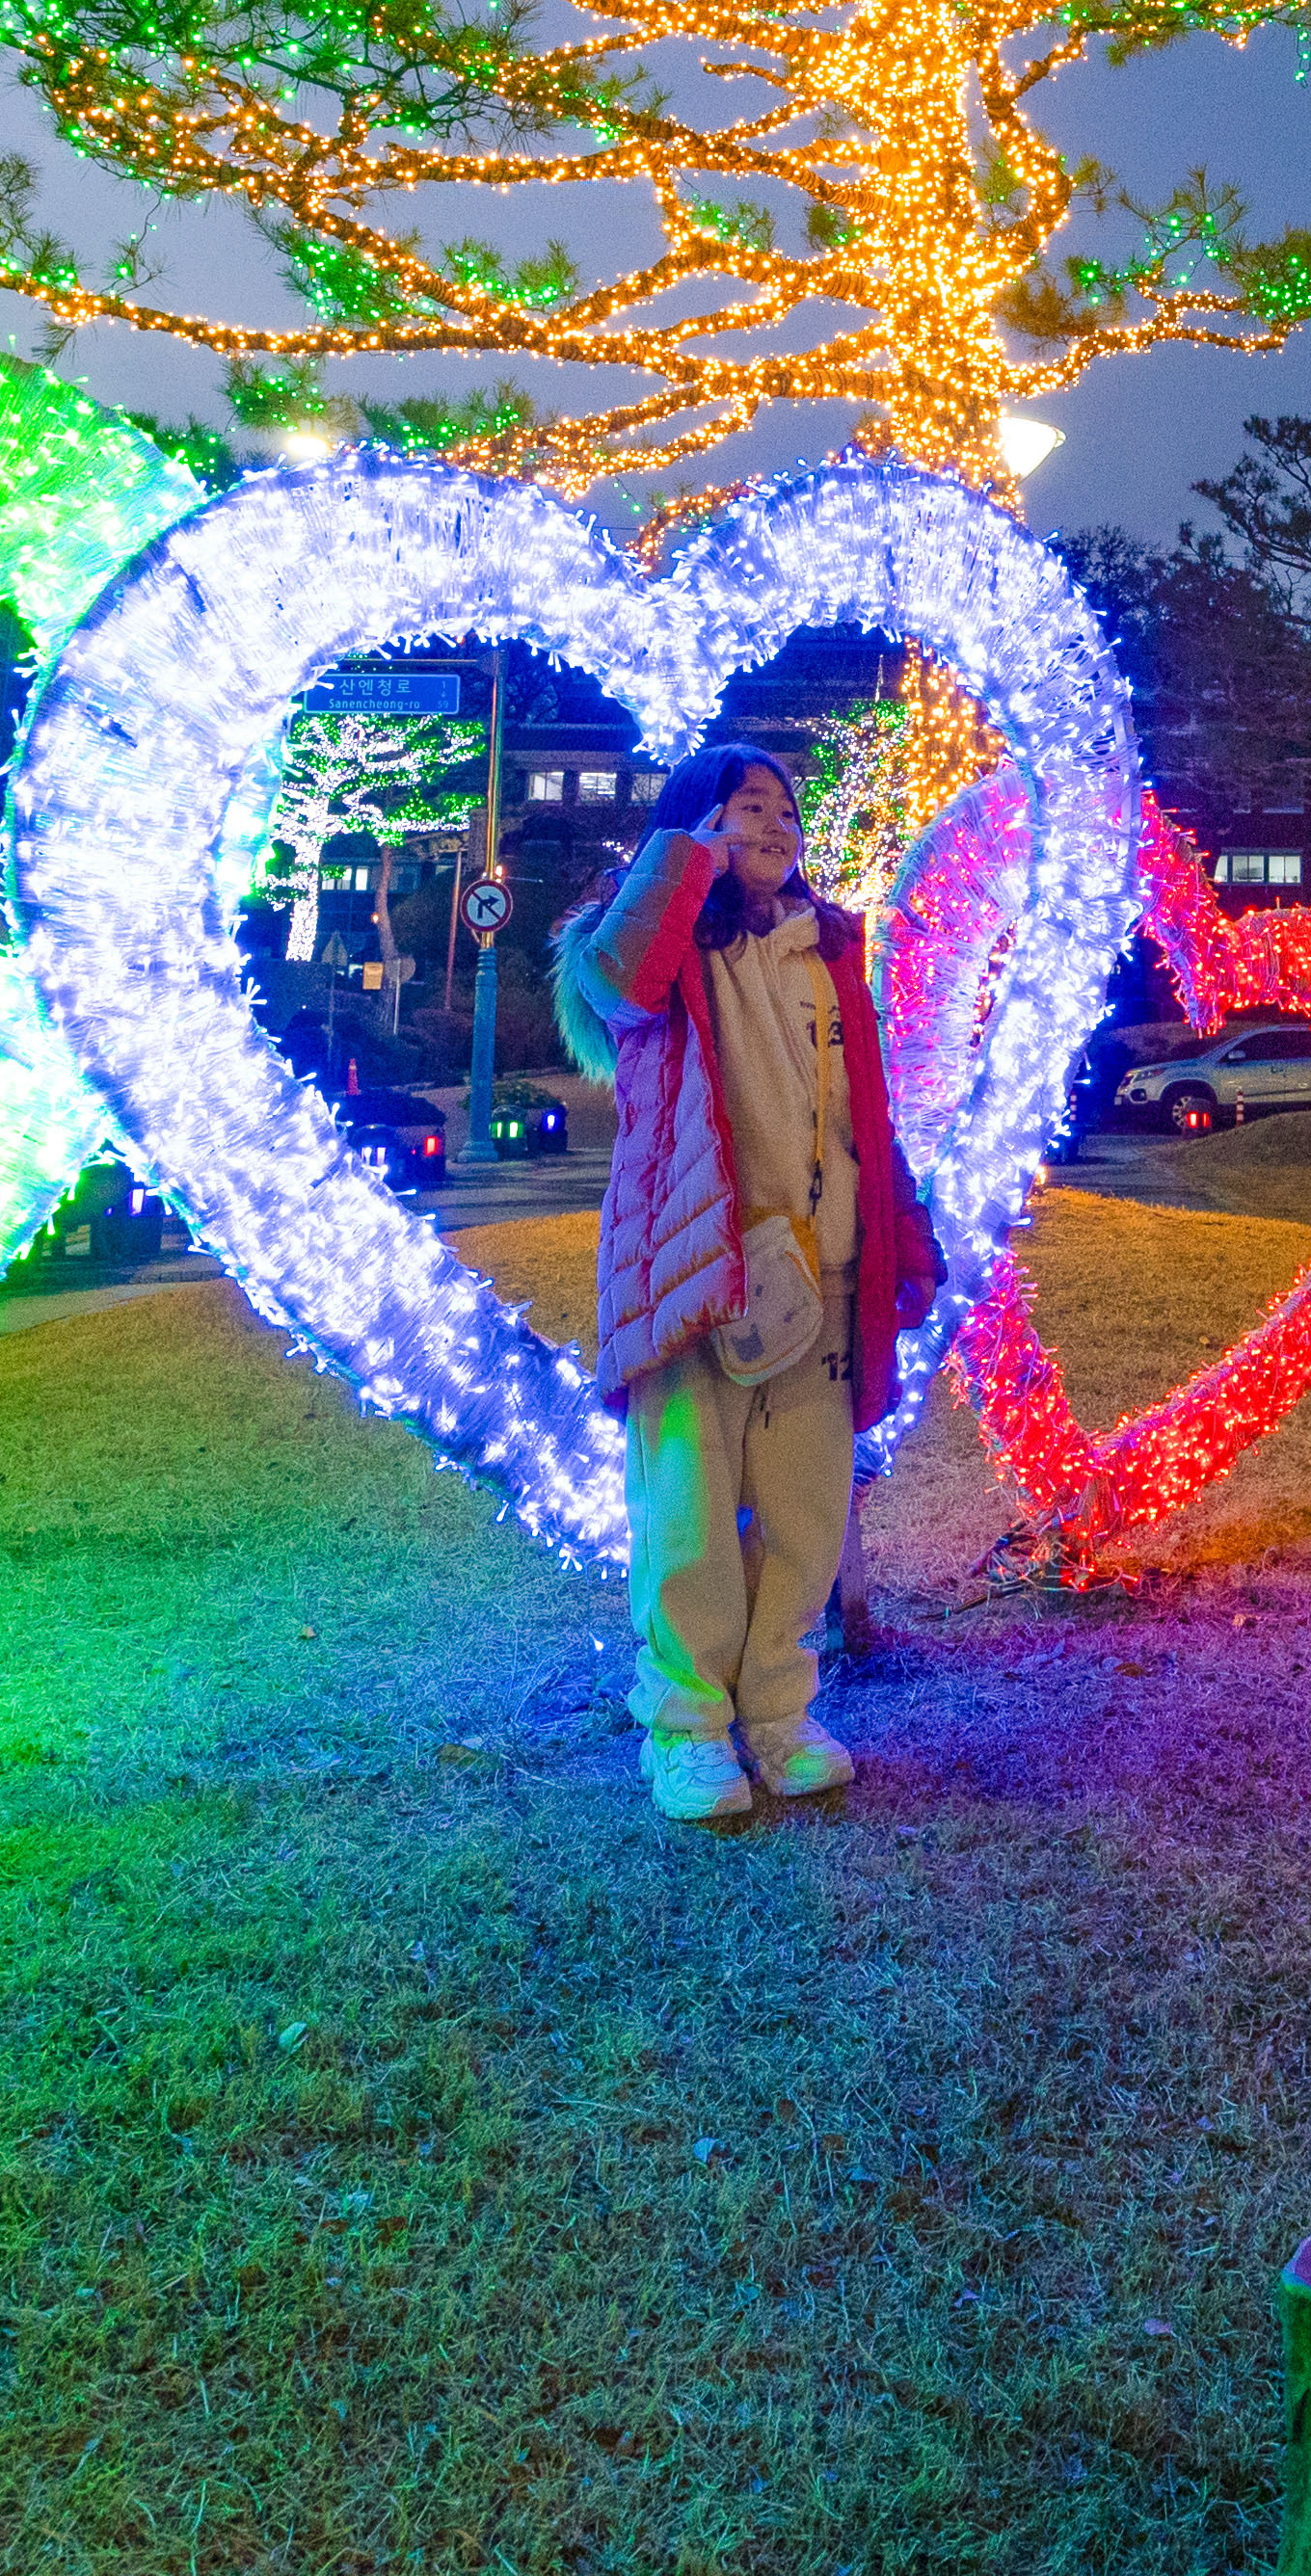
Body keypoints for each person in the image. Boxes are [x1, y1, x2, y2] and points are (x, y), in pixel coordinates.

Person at [551, 747, 941, 1826]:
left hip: (822, 1269)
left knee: (809, 1508)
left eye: (786, 809)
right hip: (695, 1271)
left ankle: (779, 1711)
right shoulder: (653, 947)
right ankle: (683, 1725)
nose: (775, 823)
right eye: (747, 806)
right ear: (695, 826)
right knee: (688, 1510)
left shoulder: (829, 950)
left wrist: (901, 1235)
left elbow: (865, 1110)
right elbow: (618, 984)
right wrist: (687, 860)